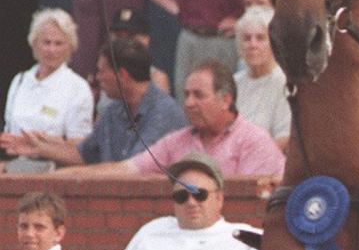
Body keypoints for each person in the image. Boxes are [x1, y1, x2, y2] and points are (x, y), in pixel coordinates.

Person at [52, 60, 284, 182]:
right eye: (187, 95)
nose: (189, 103)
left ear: (226, 100)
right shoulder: (177, 142)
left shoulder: (255, 142)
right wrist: (54, 179)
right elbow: (125, 170)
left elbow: (251, 204)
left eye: (199, 95)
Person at [2, 39, 184, 168]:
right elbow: (85, 154)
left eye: (101, 71)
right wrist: (41, 148)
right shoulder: (113, 110)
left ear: (122, 75)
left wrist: (68, 176)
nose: (98, 78)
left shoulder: (164, 113)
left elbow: (131, 170)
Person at [105, 154, 260, 250]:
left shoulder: (246, 238)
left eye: (199, 194)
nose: (191, 203)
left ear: (219, 198)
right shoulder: (151, 230)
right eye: (181, 196)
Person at [1, 10, 93, 174]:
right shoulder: (20, 80)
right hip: (14, 169)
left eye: (58, 43)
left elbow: (80, 147)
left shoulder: (77, 87)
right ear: (34, 44)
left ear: (70, 47)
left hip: (55, 173)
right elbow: (9, 132)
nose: (52, 50)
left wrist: (40, 145)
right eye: (46, 42)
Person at [232, 6, 290, 150]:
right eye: (246, 39)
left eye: (260, 38)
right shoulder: (233, 82)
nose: (253, 45)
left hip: (266, 164)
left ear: (274, 43)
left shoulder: (284, 83)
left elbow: (284, 137)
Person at [107, 8, 171, 95]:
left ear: (146, 40)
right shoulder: (104, 75)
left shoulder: (156, 79)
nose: (124, 42)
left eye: (131, 36)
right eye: (119, 36)